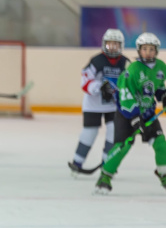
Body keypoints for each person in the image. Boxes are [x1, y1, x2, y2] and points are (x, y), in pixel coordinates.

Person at [95, 32, 166, 194]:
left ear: (156, 51)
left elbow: (159, 86)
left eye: (151, 49)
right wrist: (134, 118)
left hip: (148, 114)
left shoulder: (161, 67)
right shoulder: (132, 70)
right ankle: (105, 176)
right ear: (139, 50)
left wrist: (164, 96)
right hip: (126, 114)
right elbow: (125, 95)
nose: (148, 52)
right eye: (145, 49)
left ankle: (164, 174)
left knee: (161, 143)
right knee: (123, 146)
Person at [69, 29, 129, 175]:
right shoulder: (97, 61)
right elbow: (85, 81)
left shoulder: (125, 63)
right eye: (109, 44)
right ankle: (77, 162)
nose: (112, 47)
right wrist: (99, 87)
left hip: (113, 106)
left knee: (113, 131)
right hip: (93, 105)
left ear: (121, 45)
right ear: (104, 44)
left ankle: (107, 164)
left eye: (116, 44)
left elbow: (130, 82)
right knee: (90, 132)